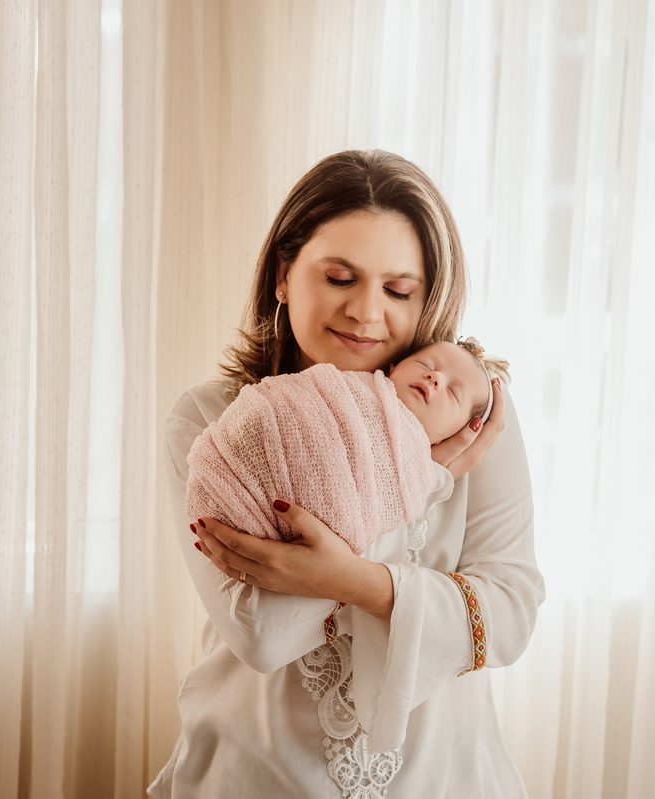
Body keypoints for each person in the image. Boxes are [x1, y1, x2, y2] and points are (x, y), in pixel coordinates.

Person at [149, 149, 545, 799]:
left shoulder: (467, 411)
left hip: (446, 781)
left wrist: (352, 579)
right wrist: (419, 480)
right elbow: (262, 636)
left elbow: (510, 614)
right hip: (256, 778)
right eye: (339, 277)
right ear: (283, 275)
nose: (366, 311)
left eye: (398, 290)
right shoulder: (214, 420)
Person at [184, 339, 502, 556]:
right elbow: (297, 405)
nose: (435, 377)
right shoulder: (350, 387)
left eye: (453, 392)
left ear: (454, 436)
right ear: (393, 367)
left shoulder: (416, 474)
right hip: (239, 464)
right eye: (425, 363)